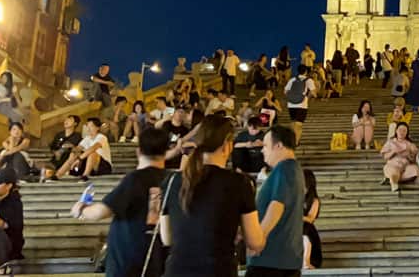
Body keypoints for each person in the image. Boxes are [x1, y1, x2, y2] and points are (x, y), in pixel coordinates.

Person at [160, 115, 265, 277]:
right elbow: (255, 242)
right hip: (217, 270)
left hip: (177, 270)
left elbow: (167, 238)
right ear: (227, 145)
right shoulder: (239, 182)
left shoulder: (172, 180)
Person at [72, 127, 172, 277]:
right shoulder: (172, 180)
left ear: (139, 151)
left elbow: (102, 211)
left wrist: (81, 209)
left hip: (128, 259)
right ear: (166, 152)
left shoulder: (136, 179)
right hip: (159, 259)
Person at [247, 124, 306, 277]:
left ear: (279, 146)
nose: (262, 150)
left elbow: (276, 206)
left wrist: (259, 239)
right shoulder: (291, 169)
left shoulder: (285, 169)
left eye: (266, 145)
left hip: (271, 261)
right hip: (280, 260)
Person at [59, 117, 114, 181]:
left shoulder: (102, 137)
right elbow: (78, 148)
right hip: (90, 165)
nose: (89, 128)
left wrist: (79, 159)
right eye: (87, 126)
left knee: (93, 153)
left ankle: (85, 176)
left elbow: (93, 148)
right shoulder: (87, 138)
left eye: (91, 126)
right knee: (73, 154)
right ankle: (58, 175)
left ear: (97, 128)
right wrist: (72, 148)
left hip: (103, 167)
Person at [380, 122, 419, 193]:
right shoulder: (390, 142)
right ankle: (394, 184)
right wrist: (393, 151)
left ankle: (390, 178)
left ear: (407, 132)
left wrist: (408, 156)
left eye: (404, 130)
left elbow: (414, 159)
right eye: (400, 130)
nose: (402, 132)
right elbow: (385, 157)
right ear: (396, 131)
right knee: (394, 171)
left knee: (415, 170)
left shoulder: (410, 144)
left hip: (405, 167)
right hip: (393, 164)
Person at [41, 114, 82, 181]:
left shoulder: (77, 136)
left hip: (68, 159)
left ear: (75, 123)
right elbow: (52, 147)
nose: (66, 121)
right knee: (44, 168)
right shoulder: (59, 135)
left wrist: (66, 148)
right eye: (66, 119)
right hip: (56, 159)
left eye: (70, 120)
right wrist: (55, 152)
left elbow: (76, 148)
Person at [284, 65, 311, 146]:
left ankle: (292, 140)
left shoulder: (292, 79)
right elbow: (313, 92)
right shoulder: (308, 80)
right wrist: (307, 98)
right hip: (302, 104)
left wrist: (292, 98)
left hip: (291, 104)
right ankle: (296, 141)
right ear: (306, 71)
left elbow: (285, 91)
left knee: (293, 123)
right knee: (299, 124)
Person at [301, 168, 322, 270]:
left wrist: (296, 216)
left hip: (307, 229)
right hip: (296, 228)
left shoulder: (314, 200)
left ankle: (307, 260)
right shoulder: (296, 197)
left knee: (305, 232)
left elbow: (310, 218)